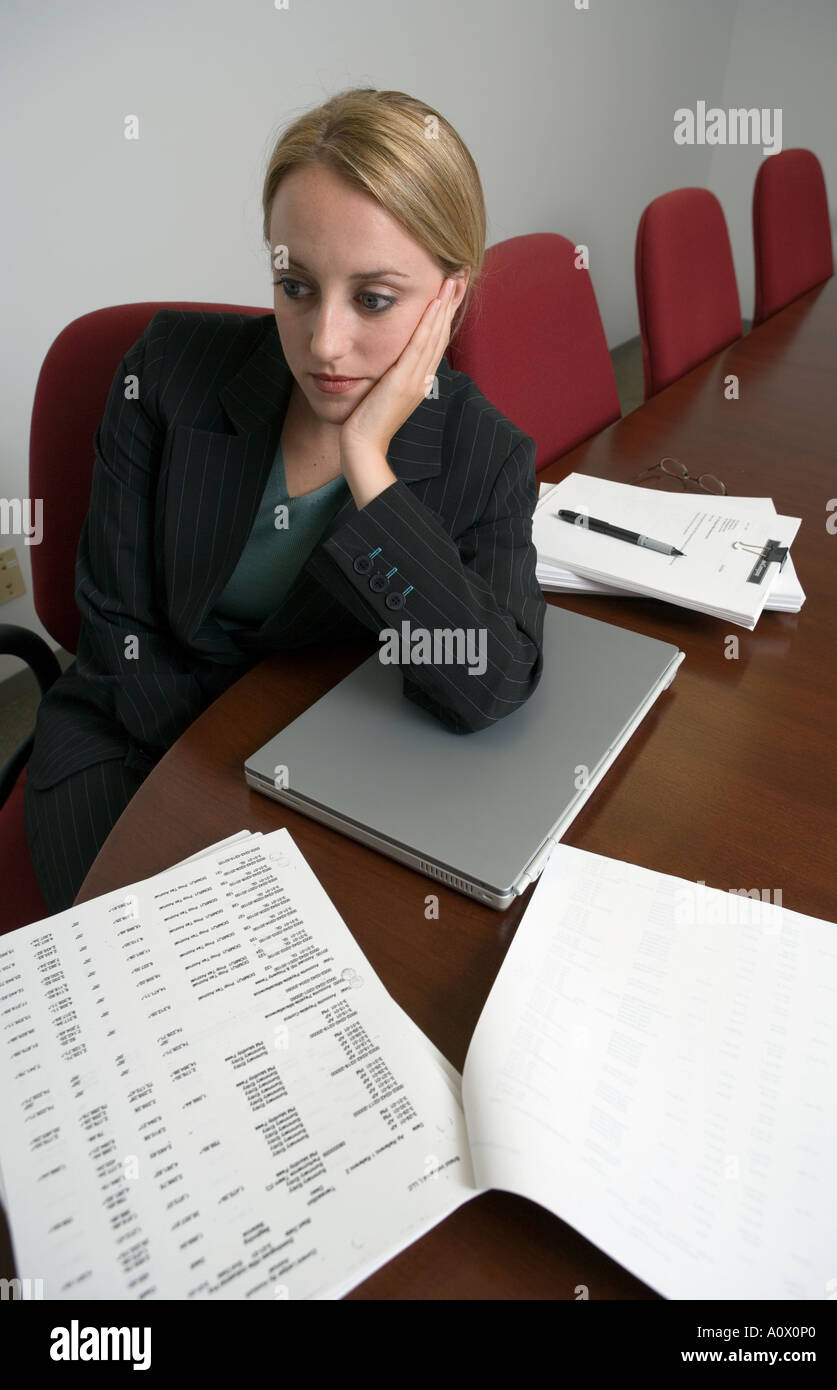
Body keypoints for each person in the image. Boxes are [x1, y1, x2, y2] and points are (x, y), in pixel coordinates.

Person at [24, 87, 545, 915]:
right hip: (129, 742)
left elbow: (486, 685)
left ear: (450, 297)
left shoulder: (484, 455)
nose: (324, 343)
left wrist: (368, 465)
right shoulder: (163, 372)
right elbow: (115, 628)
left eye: (374, 299)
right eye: (296, 285)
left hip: (322, 772)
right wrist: (216, 795)